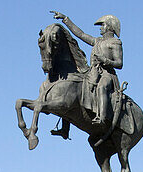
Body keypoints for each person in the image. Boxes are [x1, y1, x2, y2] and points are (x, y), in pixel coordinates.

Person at [50, 11, 124, 143]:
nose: (101, 28)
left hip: (107, 74)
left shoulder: (115, 43)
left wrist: (105, 60)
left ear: (109, 27)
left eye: (103, 25)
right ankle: (64, 129)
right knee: (71, 90)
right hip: (93, 73)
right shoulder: (97, 41)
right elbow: (81, 34)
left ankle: (101, 117)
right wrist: (66, 19)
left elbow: (119, 63)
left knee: (102, 87)